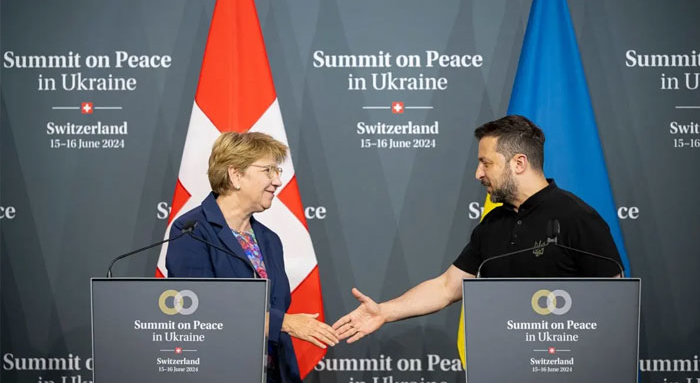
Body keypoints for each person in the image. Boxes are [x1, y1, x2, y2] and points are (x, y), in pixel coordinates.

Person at [333, 115, 623, 343]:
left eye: (486, 163)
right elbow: (446, 287)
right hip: (501, 365)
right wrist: (384, 311)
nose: (478, 174)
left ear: (519, 163)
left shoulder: (577, 217)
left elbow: (613, 305)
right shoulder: (493, 223)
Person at [166, 131, 338, 383]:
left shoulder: (269, 239)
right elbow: (198, 311)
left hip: (275, 372)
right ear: (236, 175)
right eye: (268, 171)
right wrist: (284, 323)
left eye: (278, 172)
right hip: (220, 371)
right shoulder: (193, 230)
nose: (278, 181)